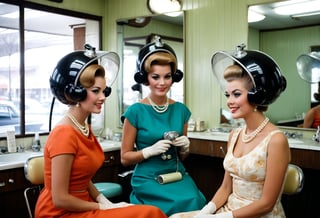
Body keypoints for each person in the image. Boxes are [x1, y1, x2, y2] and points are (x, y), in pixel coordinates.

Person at [35, 44, 167, 218]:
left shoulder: (83, 127)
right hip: (61, 212)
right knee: (150, 213)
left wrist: (102, 199)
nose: (103, 97)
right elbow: (60, 199)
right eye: (96, 91)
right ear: (75, 93)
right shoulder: (64, 134)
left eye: (104, 91)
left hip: (83, 204)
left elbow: (81, 176)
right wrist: (101, 207)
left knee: (149, 212)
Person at [170, 45, 290, 218]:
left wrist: (222, 217)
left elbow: (266, 204)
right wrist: (207, 211)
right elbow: (226, 188)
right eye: (228, 95)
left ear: (257, 95)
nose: (230, 101)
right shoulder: (234, 136)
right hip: (229, 210)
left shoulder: (276, 140)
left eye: (236, 94)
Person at [120, 36, 206, 216]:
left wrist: (184, 148)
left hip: (176, 174)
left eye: (167, 77)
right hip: (148, 178)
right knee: (162, 209)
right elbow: (125, 158)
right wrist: (148, 151)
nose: (162, 83)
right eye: (155, 77)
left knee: (195, 200)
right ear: (145, 78)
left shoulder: (181, 110)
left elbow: (182, 157)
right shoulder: (135, 112)